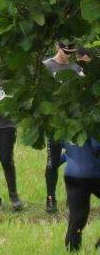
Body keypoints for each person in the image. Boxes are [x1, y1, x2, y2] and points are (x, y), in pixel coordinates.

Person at [42, 41, 85, 213]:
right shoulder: (46, 66)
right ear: (57, 48)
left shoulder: (76, 69)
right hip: (53, 122)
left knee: (75, 162)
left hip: (72, 123)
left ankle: (72, 198)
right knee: (52, 163)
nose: (67, 54)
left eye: (71, 52)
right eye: (65, 51)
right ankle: (50, 198)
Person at [62, 138, 100, 252]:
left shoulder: (64, 123)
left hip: (71, 174)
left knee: (76, 219)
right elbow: (96, 146)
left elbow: (60, 145)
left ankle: (72, 252)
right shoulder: (92, 121)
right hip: (94, 173)